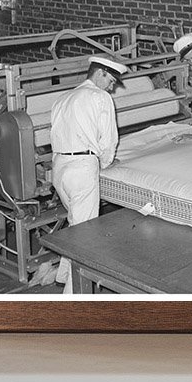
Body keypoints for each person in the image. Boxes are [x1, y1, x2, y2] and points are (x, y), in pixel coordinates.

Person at [44, 54, 126, 293]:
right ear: (100, 73)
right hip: (82, 167)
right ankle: (72, 296)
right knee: (86, 234)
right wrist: (107, 161)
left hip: (59, 167)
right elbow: (109, 138)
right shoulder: (100, 97)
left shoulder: (63, 98)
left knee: (75, 223)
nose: (112, 87)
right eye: (111, 80)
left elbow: (54, 134)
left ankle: (64, 274)